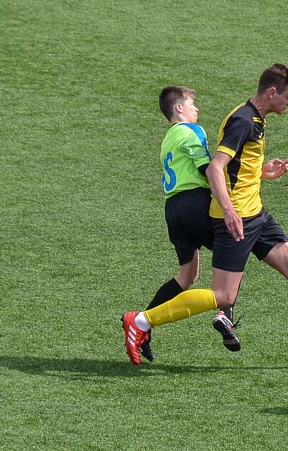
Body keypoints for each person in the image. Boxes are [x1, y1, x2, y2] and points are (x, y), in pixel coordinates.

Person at [122, 64, 288, 371]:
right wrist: (230, 212)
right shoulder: (243, 120)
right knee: (223, 294)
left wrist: (262, 173)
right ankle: (140, 321)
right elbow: (217, 167)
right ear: (271, 92)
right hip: (238, 217)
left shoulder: (254, 119)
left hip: (256, 213)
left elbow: (236, 169)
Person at [121, 86, 237, 364]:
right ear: (179, 109)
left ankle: (140, 326)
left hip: (173, 209)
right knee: (236, 247)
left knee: (187, 275)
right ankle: (225, 314)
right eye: (193, 104)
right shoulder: (192, 132)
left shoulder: (167, 139)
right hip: (195, 203)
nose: (197, 110)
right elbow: (206, 168)